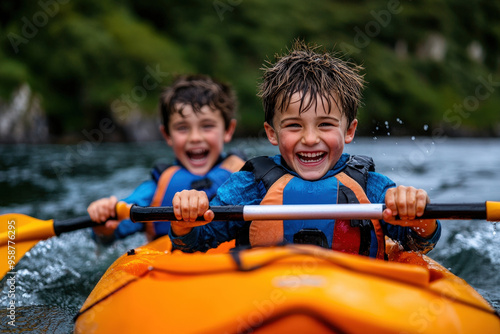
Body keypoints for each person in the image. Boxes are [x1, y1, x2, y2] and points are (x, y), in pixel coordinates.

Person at [168, 41, 441, 259]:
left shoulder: (371, 187)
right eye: (294, 126)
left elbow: (419, 243)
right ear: (272, 133)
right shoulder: (249, 187)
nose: (310, 139)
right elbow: (195, 243)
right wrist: (186, 219)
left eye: (325, 124)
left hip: (356, 299)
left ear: (349, 130)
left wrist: (418, 214)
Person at [87, 74, 245, 243]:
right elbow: (110, 232)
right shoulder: (155, 190)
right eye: (182, 128)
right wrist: (102, 222)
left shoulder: (248, 176)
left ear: (228, 130)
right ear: (167, 135)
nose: (195, 137)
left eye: (207, 126)